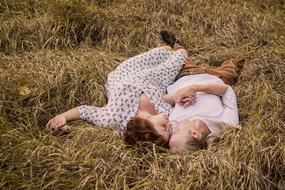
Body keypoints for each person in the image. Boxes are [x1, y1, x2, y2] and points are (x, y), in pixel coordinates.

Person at [46, 43, 188, 147]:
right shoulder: (167, 113)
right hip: (156, 79)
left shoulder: (113, 119)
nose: (168, 125)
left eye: (163, 128)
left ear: (146, 127)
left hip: (125, 74)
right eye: (167, 129)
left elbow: (84, 111)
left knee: (164, 50)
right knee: (181, 54)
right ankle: (177, 43)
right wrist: (180, 96)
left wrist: (62, 117)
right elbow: (171, 99)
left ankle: (169, 46)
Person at [159, 30, 244, 152]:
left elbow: (159, 101)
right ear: (195, 134)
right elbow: (228, 91)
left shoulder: (172, 124)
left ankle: (176, 44)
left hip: (186, 75)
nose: (172, 131)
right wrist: (194, 88)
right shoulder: (224, 125)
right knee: (237, 61)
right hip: (218, 77)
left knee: (180, 57)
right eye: (177, 132)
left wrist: (178, 96)